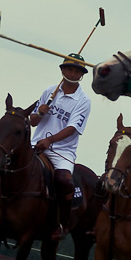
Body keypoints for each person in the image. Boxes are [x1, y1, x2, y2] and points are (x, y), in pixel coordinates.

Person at [30, 53, 92, 240]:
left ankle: (62, 224)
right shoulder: (49, 91)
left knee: (64, 180)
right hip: (36, 144)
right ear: (62, 70)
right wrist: (40, 113)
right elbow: (32, 121)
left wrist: (50, 141)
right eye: (69, 69)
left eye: (77, 71)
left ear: (81, 75)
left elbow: (73, 129)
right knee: (8, 163)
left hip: (62, 151)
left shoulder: (83, 100)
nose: (72, 73)